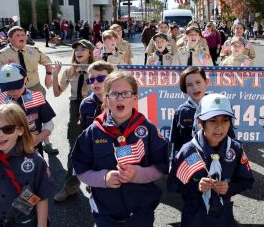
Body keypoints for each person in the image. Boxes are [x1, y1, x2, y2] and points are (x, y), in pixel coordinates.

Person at [71, 71, 168, 226]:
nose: (120, 98)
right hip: (106, 213)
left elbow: (161, 166)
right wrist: (104, 178)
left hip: (141, 211)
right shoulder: (93, 131)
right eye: (114, 94)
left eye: (126, 93)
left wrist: (137, 174)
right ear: (106, 99)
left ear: (135, 98)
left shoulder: (148, 129)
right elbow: (81, 170)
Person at [167, 93, 254, 227]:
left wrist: (229, 188)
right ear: (200, 121)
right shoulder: (189, 151)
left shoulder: (235, 149)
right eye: (213, 120)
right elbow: (173, 184)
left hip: (223, 216)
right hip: (194, 216)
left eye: (225, 120)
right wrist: (196, 186)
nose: (219, 127)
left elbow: (247, 181)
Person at [0, 103, 55, 227]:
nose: (0, 135)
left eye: (8, 129)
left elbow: (42, 195)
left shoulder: (34, 161)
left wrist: (42, 225)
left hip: (25, 220)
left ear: (21, 130)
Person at [52, 39, 94, 202]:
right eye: (76, 49)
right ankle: (70, 187)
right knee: (74, 148)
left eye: (83, 49)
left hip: (94, 105)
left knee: (98, 145)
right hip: (76, 107)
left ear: (90, 52)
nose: (78, 51)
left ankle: (95, 181)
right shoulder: (70, 71)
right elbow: (56, 93)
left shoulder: (96, 69)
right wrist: (55, 74)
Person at [0, 63, 58, 156]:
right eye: (8, 88)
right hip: (7, 151)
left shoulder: (36, 98)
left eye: (17, 86)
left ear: (25, 79)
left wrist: (39, 138)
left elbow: (49, 123)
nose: (14, 92)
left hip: (33, 149)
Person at [0, 26, 52, 96]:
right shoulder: (2, 54)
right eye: (18, 35)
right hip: (13, 91)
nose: (21, 37)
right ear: (10, 38)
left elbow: (47, 62)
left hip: (35, 87)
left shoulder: (34, 50)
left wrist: (48, 77)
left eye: (23, 35)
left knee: (40, 106)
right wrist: (0, 91)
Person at [170, 67, 208, 160]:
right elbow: (175, 142)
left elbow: (229, 139)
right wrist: (173, 164)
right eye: (189, 85)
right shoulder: (181, 111)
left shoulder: (218, 108)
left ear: (206, 82)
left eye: (198, 82)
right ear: (185, 88)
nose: (195, 87)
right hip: (189, 161)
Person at [79, 60, 115, 129]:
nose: (95, 82)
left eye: (100, 78)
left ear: (111, 79)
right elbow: (84, 128)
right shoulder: (85, 103)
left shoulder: (119, 102)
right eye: (91, 79)